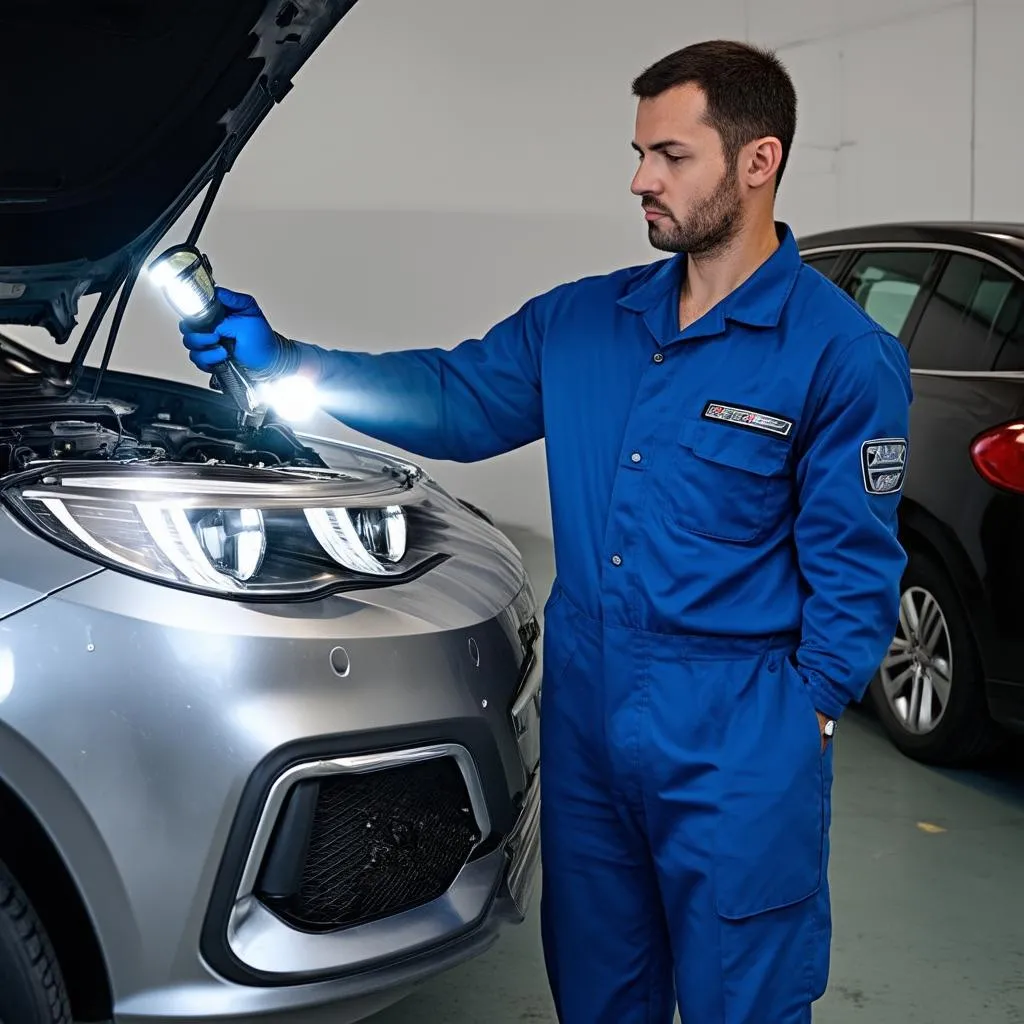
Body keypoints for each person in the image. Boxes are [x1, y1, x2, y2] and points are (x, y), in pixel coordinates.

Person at [181, 39, 911, 1024]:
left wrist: (804, 716)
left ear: (757, 161)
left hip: (738, 738)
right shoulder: (584, 321)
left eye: (669, 156)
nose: (639, 179)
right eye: (638, 151)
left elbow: (855, 570)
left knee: (743, 1000)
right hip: (589, 720)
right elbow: (454, 398)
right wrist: (285, 360)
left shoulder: (839, 355)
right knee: (600, 990)